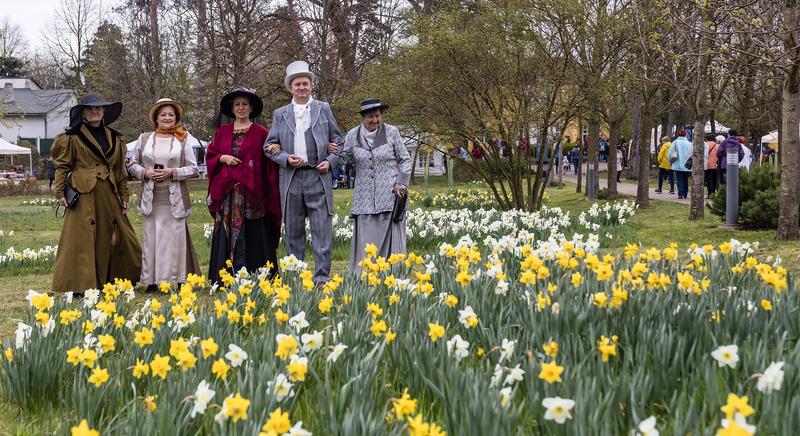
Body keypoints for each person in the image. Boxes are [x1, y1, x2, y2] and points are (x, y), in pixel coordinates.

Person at [51, 93, 141, 295]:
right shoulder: (71, 137)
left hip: (109, 194)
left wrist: (124, 196)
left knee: (118, 238)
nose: (95, 111)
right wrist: (59, 192)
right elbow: (62, 166)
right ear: (83, 112)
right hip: (84, 194)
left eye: (99, 108)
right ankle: (79, 285)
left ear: (104, 112)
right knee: (82, 239)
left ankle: (113, 280)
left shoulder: (116, 138)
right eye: (90, 109)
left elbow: (120, 171)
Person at [263, 61, 343, 287]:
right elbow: (269, 145)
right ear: (290, 88)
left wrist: (330, 161)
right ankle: (296, 280)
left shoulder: (323, 108)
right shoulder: (281, 114)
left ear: (311, 86)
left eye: (305, 83)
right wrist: (286, 158)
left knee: (322, 231)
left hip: (317, 175)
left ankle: (321, 280)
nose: (301, 88)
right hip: (290, 179)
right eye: (297, 84)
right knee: (293, 233)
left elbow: (339, 141)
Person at [206, 87, 281, 283]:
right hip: (228, 195)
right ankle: (226, 276)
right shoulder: (221, 133)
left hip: (253, 193)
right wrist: (223, 157)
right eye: (237, 104)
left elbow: (269, 158)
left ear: (251, 108)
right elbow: (211, 156)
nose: (241, 108)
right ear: (232, 108)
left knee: (254, 229)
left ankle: (258, 274)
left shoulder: (261, 133)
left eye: (245, 104)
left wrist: (276, 148)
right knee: (226, 230)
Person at [127, 98, 201, 292]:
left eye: (171, 115)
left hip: (173, 198)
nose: (167, 118)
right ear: (156, 118)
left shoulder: (183, 139)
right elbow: (132, 164)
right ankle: (152, 281)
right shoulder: (144, 139)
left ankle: (176, 279)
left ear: (176, 118)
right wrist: (145, 173)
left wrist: (172, 173)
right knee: (151, 238)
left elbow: (193, 169)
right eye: (163, 115)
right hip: (151, 198)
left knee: (173, 239)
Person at [338, 99, 411, 271]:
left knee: (391, 239)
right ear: (363, 117)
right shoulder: (352, 135)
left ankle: (393, 274)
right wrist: (330, 150)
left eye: (378, 116)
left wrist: (401, 183)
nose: (375, 120)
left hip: (390, 195)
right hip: (364, 199)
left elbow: (405, 159)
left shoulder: (392, 132)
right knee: (368, 240)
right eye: (371, 117)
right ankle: (365, 275)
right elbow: (343, 158)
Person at [668, 130, 693, 199]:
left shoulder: (675, 142)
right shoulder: (689, 143)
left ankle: (680, 193)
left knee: (679, 179)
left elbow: (670, 153)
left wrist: (670, 161)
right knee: (686, 179)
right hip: (687, 165)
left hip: (678, 164)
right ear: (685, 135)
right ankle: (685, 193)